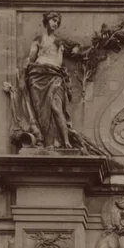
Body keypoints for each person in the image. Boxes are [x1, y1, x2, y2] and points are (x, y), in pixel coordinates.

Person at [24, 12, 81, 149]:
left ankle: (65, 140)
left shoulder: (60, 40)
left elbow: (76, 46)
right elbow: (31, 58)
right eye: (52, 20)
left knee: (56, 108)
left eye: (57, 21)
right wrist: (23, 74)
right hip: (37, 77)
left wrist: (76, 48)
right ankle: (45, 141)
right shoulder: (38, 39)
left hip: (55, 75)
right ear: (46, 21)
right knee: (41, 111)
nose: (55, 23)